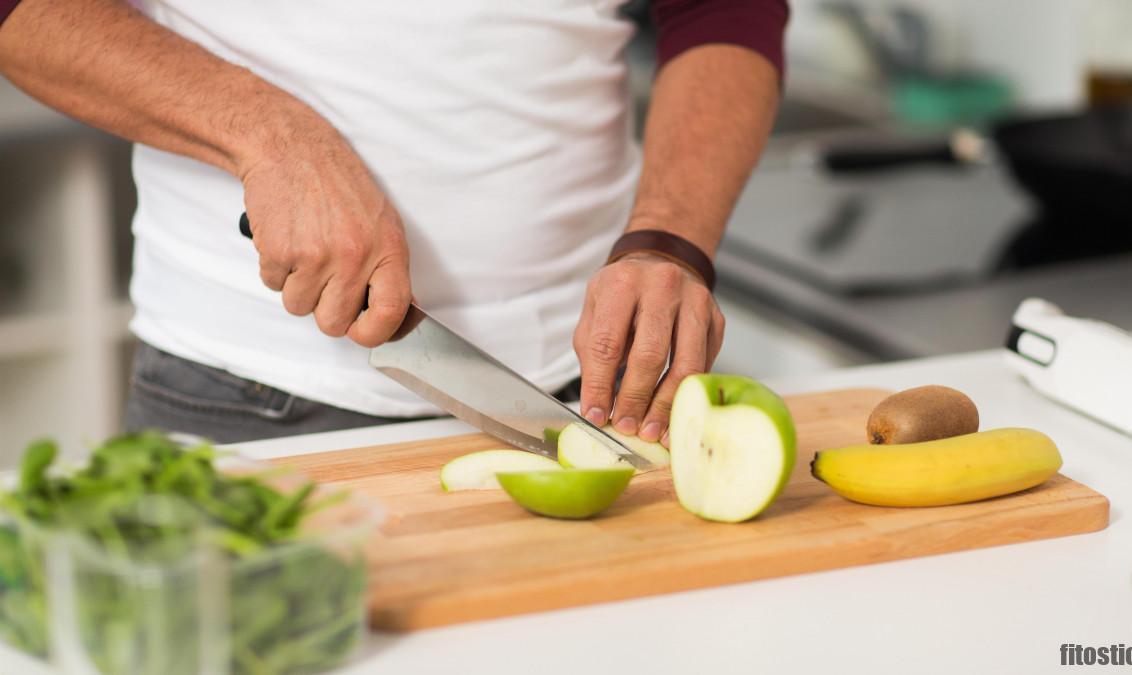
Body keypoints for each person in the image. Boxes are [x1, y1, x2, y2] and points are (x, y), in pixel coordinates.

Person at [0, 0, 785, 444]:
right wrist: (267, 137)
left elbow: (726, 12)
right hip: (242, 394)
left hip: (596, 390)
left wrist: (670, 234)